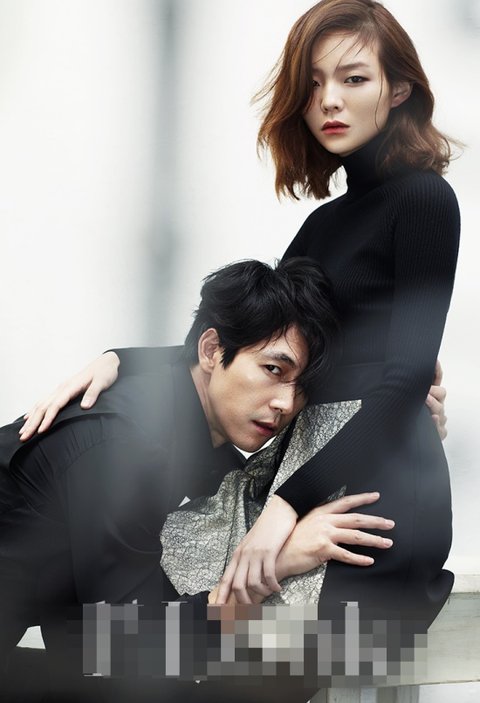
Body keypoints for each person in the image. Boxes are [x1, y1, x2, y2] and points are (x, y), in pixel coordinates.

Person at [0, 258, 396, 701]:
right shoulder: (127, 447)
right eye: (273, 370)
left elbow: (89, 636)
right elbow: (124, 649)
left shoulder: (188, 432)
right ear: (211, 351)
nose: (286, 403)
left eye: (302, 386)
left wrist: (408, 412)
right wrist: (276, 564)